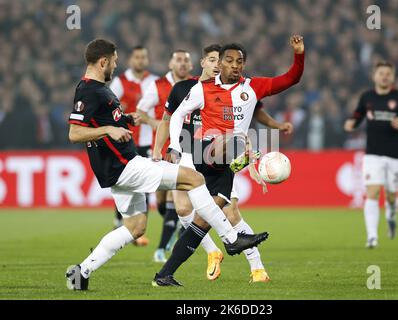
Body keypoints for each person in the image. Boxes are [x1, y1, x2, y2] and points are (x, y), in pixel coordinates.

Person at [65, 39, 269, 290]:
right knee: (195, 179)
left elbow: (102, 122)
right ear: (103, 61)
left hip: (118, 170)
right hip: (126, 167)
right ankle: (231, 239)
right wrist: (110, 129)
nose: (117, 65)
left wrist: (124, 120)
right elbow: (75, 133)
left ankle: (81, 273)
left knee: (135, 227)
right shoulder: (89, 90)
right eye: (115, 60)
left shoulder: (99, 90)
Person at [152, 35, 304, 286]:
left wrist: (298, 54)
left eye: (240, 61)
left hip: (224, 168)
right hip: (205, 153)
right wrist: (175, 146)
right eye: (229, 60)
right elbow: (178, 115)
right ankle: (233, 240)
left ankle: (165, 274)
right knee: (234, 138)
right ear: (219, 64)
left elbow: (291, 79)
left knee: (203, 222)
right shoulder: (202, 89)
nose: (235, 65)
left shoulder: (253, 88)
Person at [344, 60, 398, 248]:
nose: (384, 76)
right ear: (374, 76)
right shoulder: (367, 97)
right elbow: (358, 115)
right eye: (381, 73)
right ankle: (372, 237)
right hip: (372, 154)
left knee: (392, 195)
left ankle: (391, 216)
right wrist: (351, 123)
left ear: (393, 77)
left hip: (395, 154)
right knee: (373, 192)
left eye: (388, 73)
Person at [136, 50, 193, 262]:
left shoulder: (195, 86)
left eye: (186, 60)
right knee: (160, 199)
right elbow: (140, 111)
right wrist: (156, 124)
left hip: (184, 147)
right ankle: (176, 222)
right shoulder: (158, 85)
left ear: (191, 65)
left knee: (173, 192)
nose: (182, 64)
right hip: (160, 146)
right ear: (171, 63)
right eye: (178, 60)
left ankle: (161, 249)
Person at [108, 45, 159, 247]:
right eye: (137, 57)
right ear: (131, 59)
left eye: (143, 57)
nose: (140, 60)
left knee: (145, 184)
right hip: (125, 141)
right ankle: (120, 221)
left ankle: (137, 229)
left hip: (146, 140)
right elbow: (109, 106)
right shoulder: (120, 82)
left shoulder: (154, 81)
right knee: (124, 183)